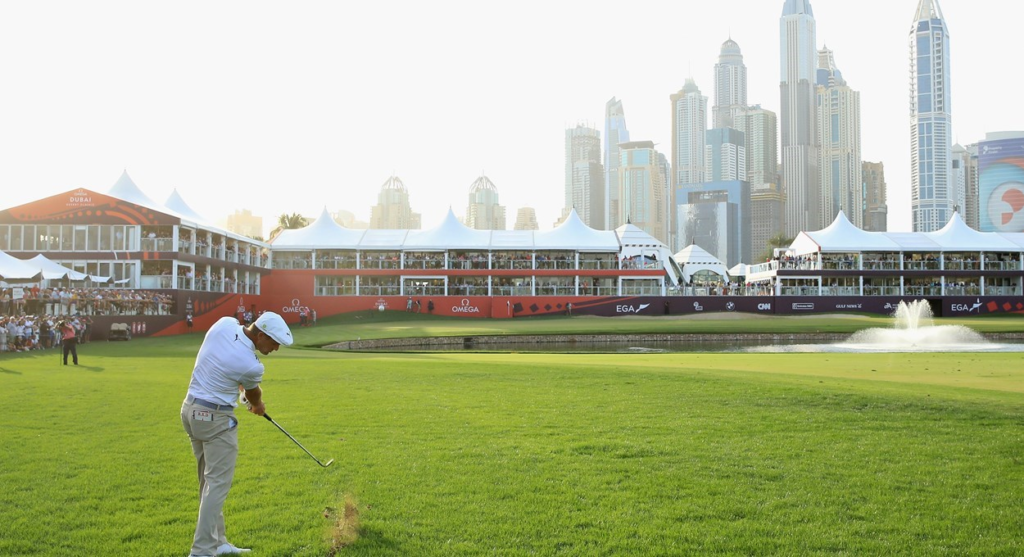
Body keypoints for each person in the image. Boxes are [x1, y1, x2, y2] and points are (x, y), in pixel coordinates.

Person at [180, 311, 293, 557]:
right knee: (217, 485)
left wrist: (239, 387)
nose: (275, 349)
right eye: (274, 343)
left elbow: (225, 364)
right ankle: (201, 551)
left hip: (190, 411)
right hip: (215, 420)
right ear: (261, 335)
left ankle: (217, 542)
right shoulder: (252, 365)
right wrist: (257, 405)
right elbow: (254, 396)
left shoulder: (224, 324)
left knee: (208, 484)